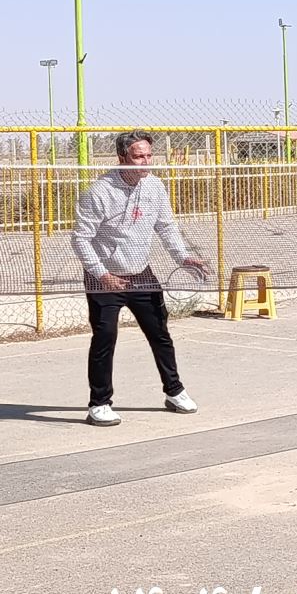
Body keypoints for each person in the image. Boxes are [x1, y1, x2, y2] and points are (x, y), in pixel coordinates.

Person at [71, 130, 208, 426]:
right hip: (105, 278)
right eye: (138, 156)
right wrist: (102, 274)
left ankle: (174, 391)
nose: (146, 161)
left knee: (160, 333)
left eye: (148, 155)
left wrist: (182, 256)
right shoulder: (99, 192)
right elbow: (80, 239)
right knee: (105, 338)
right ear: (122, 157)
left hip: (142, 274)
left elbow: (166, 226)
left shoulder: (155, 186)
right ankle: (99, 404)